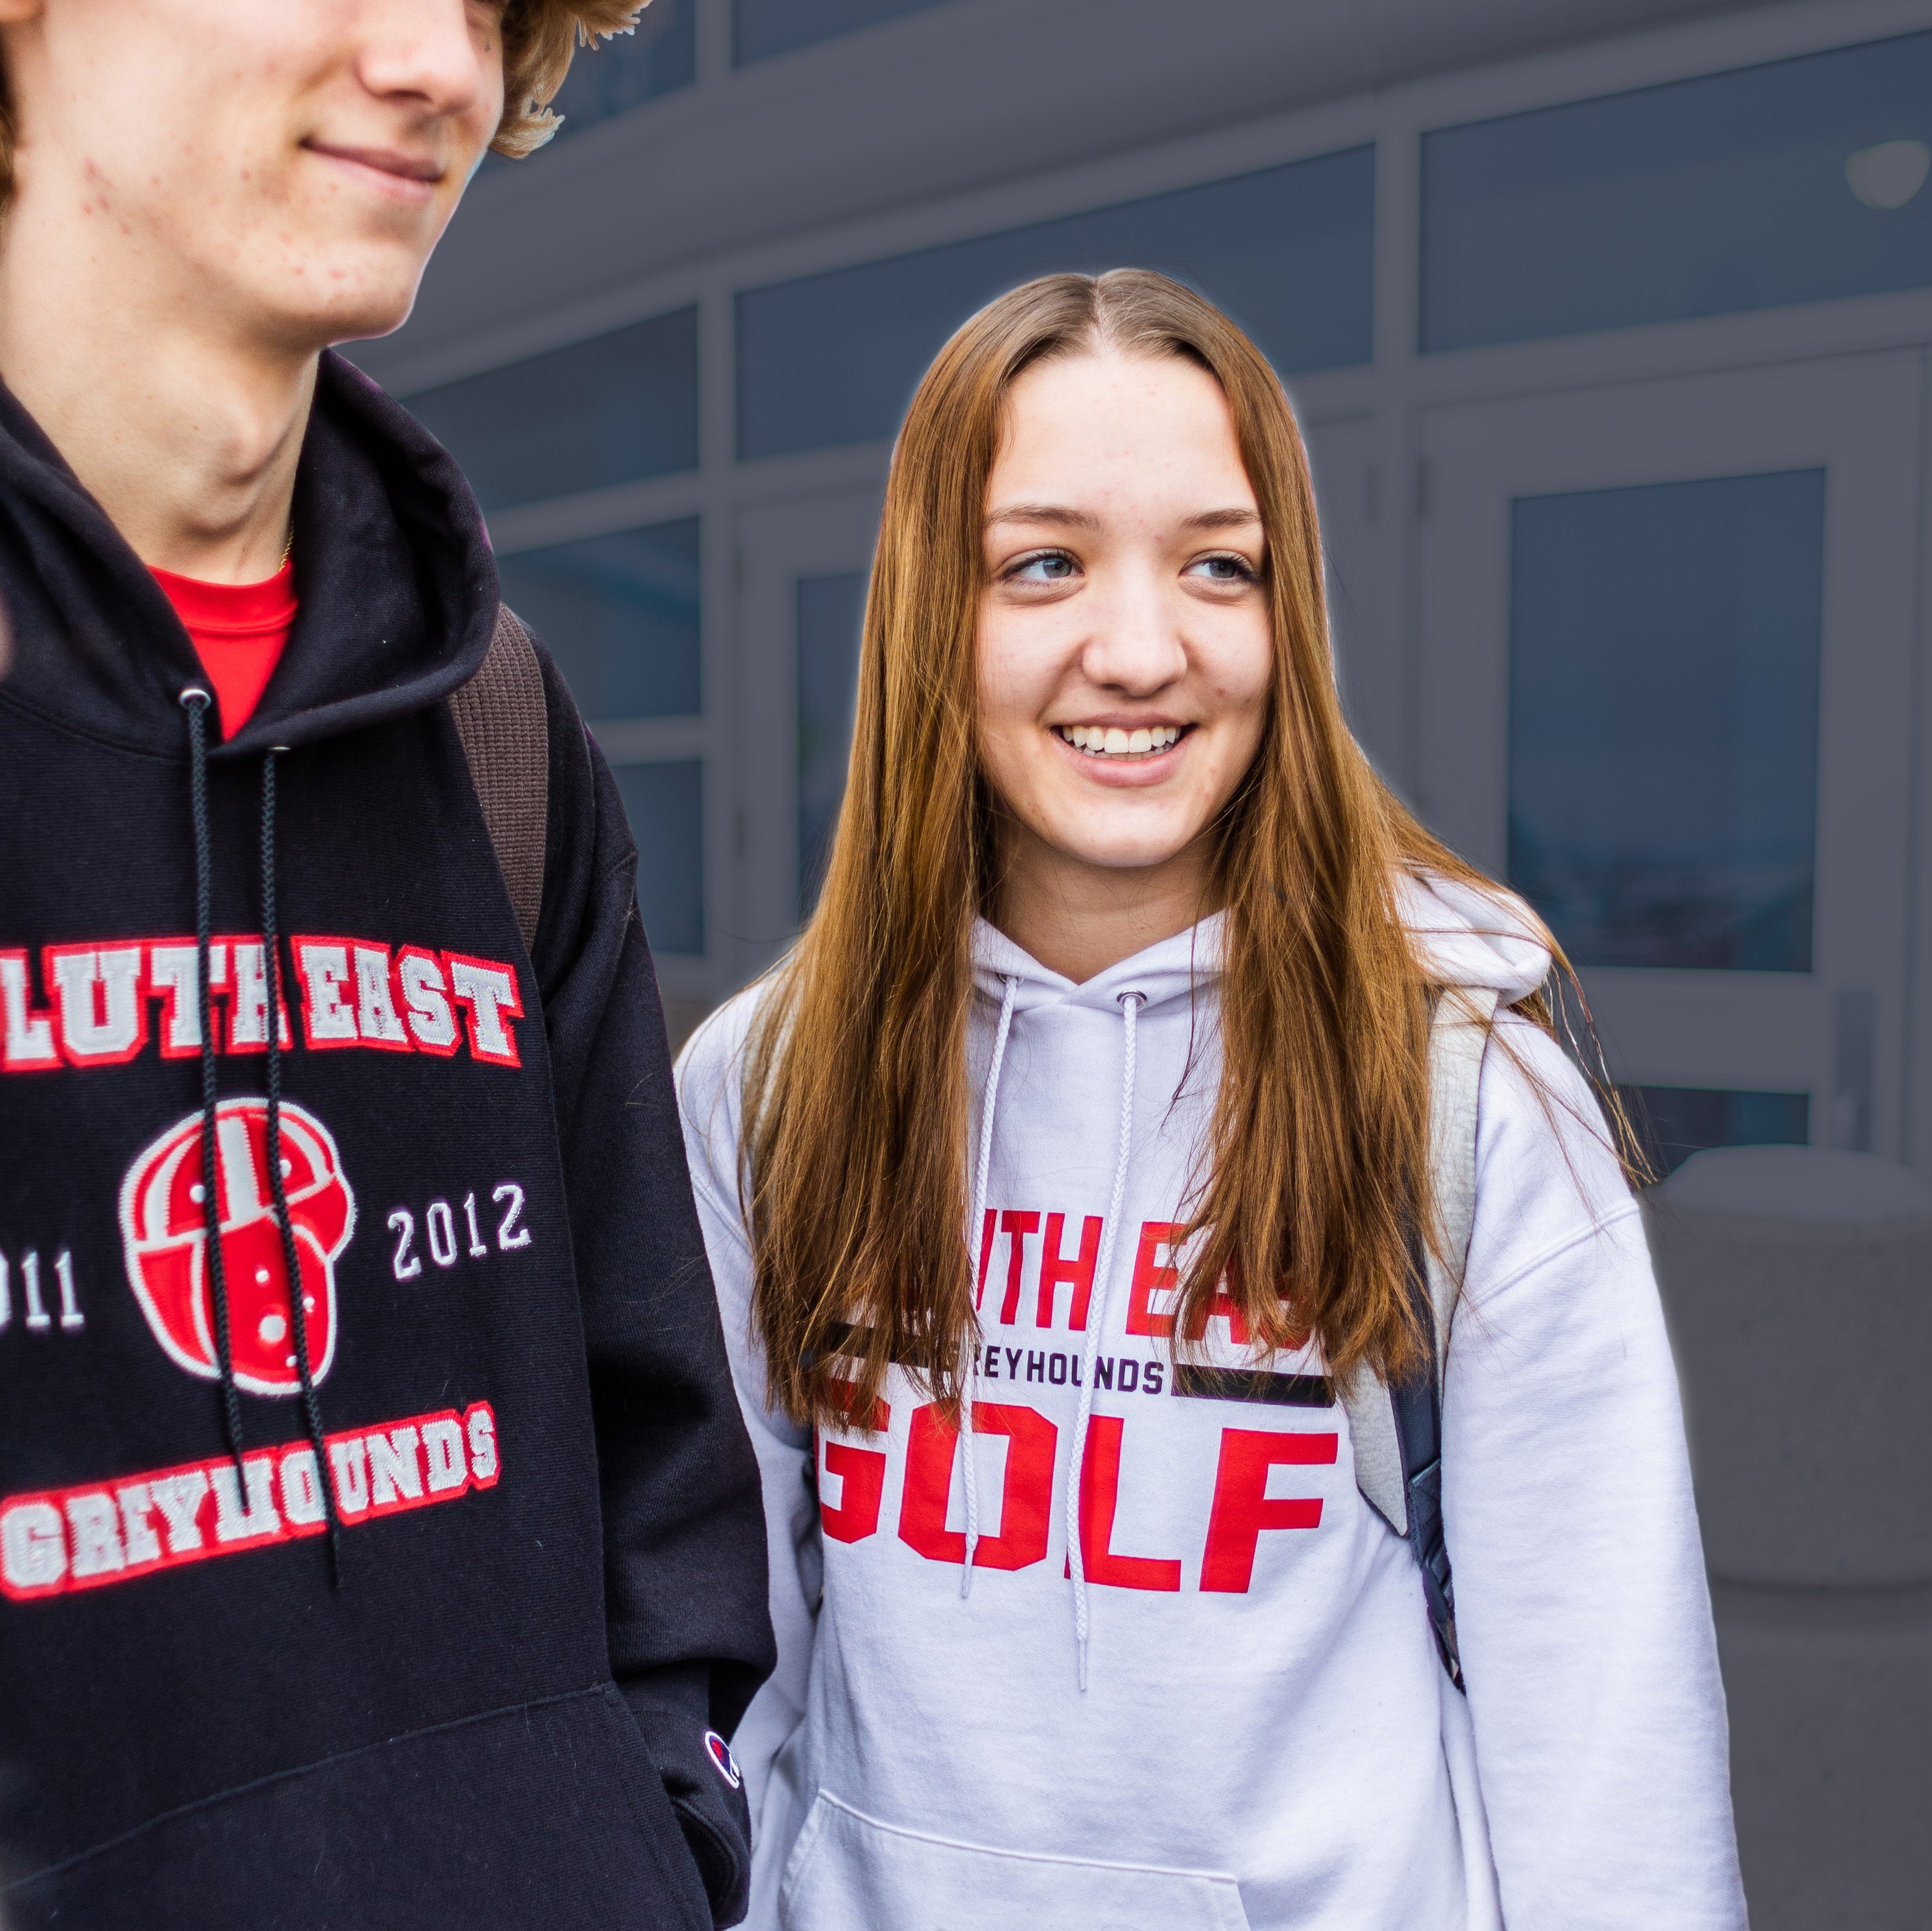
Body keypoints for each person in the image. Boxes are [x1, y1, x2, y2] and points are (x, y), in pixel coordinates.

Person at [676, 270, 1747, 1929]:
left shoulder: (1457, 1093)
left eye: (1216, 566)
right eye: (1042, 563)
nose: (1137, 647)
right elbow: (726, 1662)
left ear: (1286, 615)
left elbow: (1611, 1763)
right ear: (925, 617)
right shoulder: (765, 1082)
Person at [0, 4, 772, 1927]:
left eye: (489, 5)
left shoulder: (492, 725)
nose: (440, 65)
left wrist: (643, 1841)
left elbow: (655, 1449)